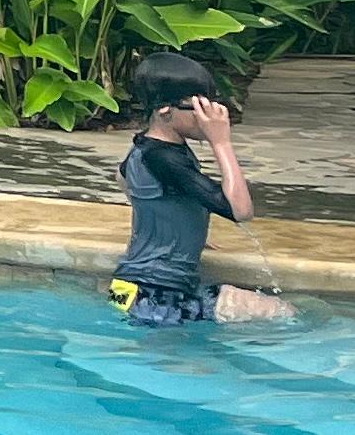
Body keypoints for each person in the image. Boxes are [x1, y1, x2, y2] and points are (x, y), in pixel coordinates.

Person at [112, 54, 291, 326]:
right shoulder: (164, 159)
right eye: (199, 108)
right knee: (282, 311)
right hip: (159, 296)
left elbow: (123, 179)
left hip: (126, 290)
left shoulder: (144, 149)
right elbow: (241, 211)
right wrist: (221, 143)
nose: (210, 117)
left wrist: (178, 228)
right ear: (166, 112)